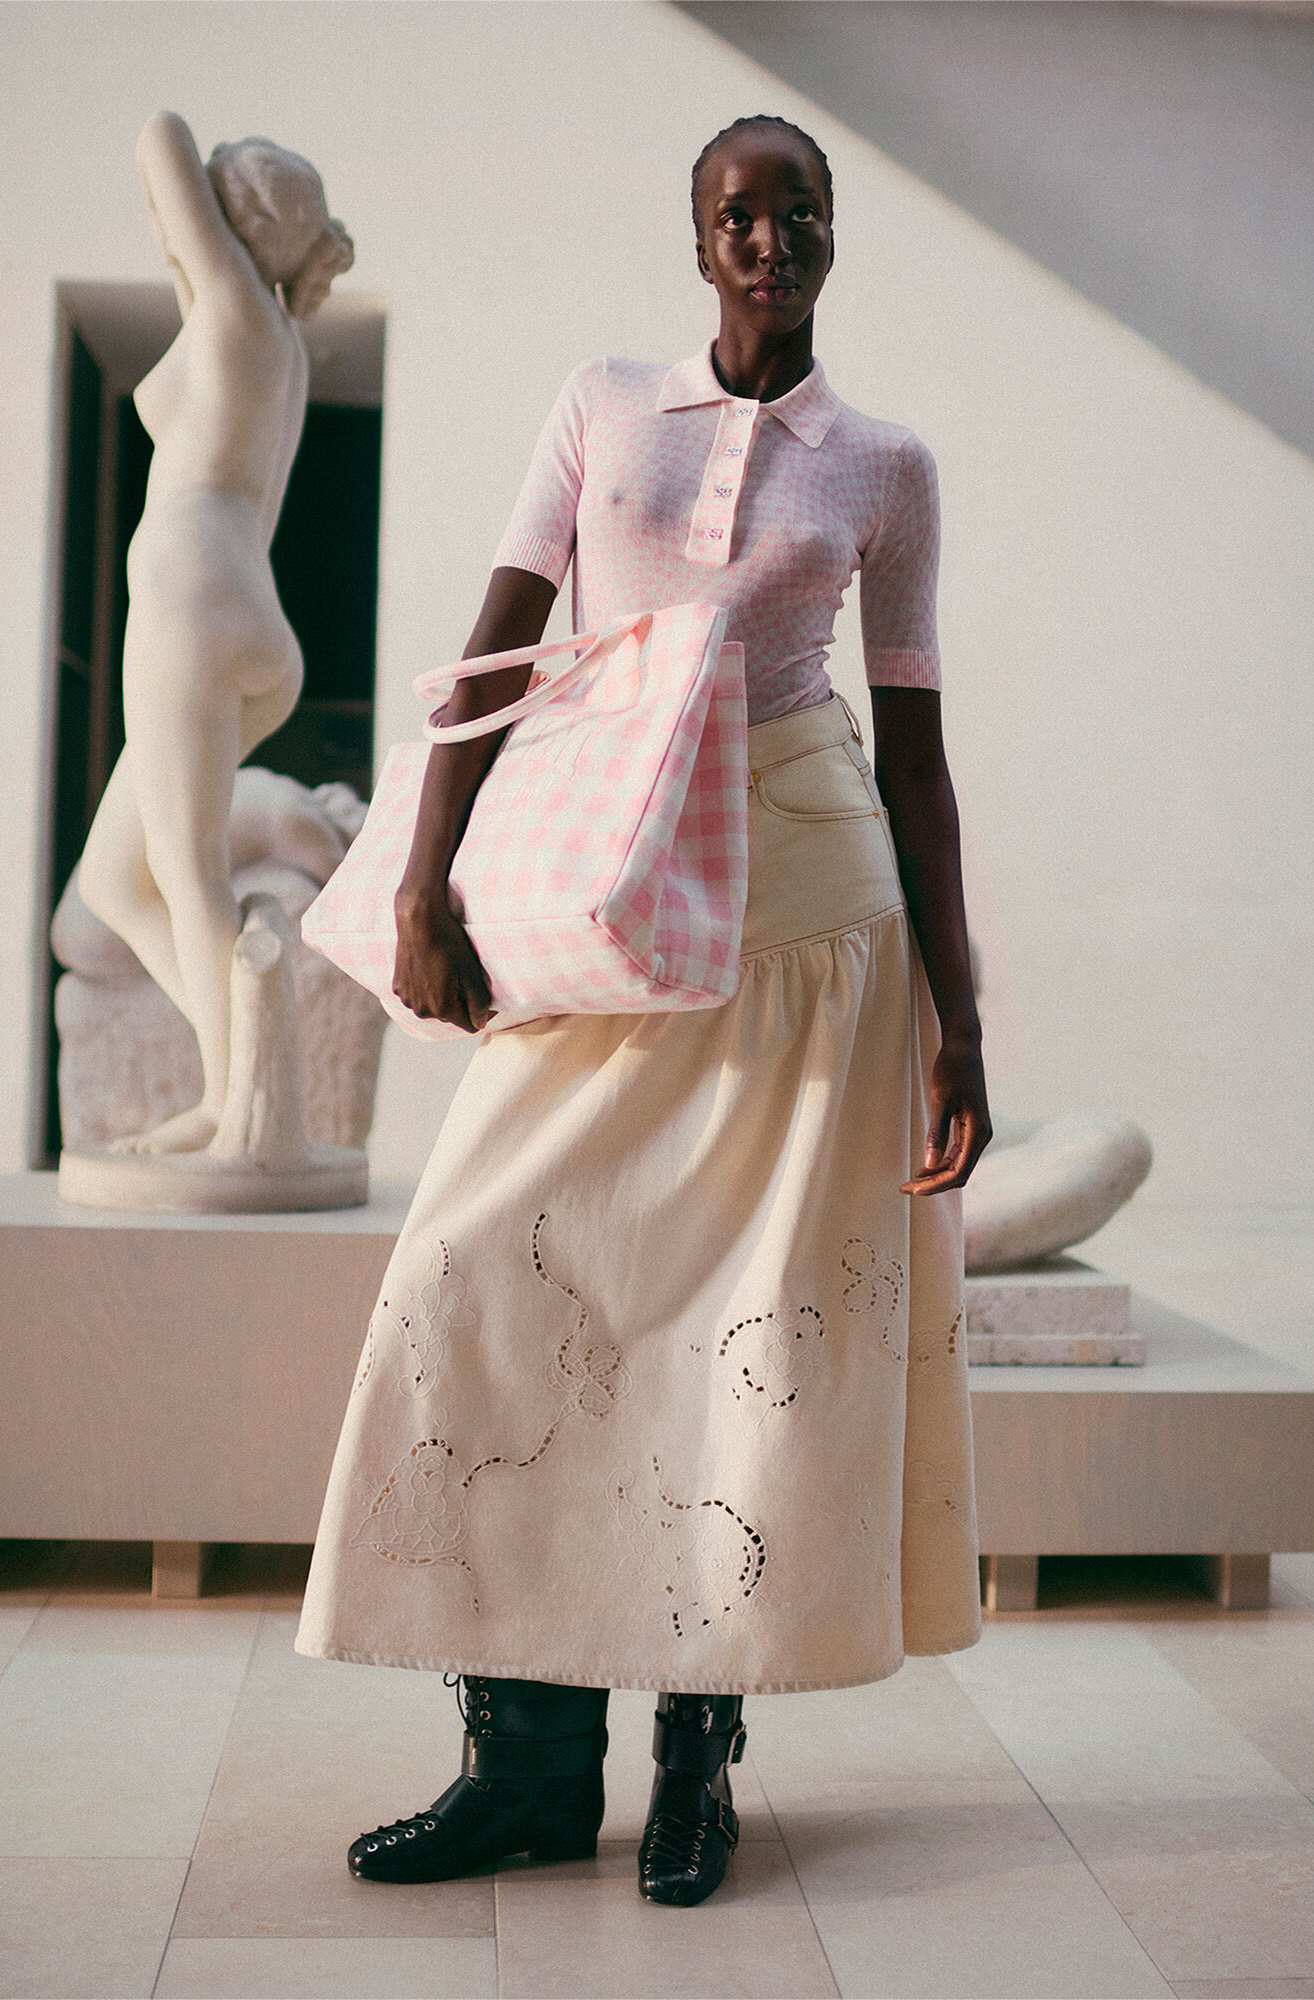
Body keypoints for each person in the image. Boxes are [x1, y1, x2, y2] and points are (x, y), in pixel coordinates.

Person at [295, 114, 992, 1908]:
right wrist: (424, 881)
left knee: (734, 1351)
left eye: (797, 209)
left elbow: (913, 756)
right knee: (476, 1268)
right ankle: (524, 1771)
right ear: (696, 243)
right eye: (736, 213)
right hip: (605, 907)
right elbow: (495, 651)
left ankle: (694, 1768)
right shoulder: (601, 404)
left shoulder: (885, 465)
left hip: (807, 922)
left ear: (829, 234)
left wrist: (962, 1030)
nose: (769, 236)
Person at [77, 112, 353, 1154]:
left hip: (193, 608)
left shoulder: (236, 303)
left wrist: (201, 193)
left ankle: (233, 1107)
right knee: (114, 881)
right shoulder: (262, 330)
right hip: (240, 618)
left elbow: (159, 138)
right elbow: (181, 225)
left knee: (187, 869)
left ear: (236, 225)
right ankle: (243, 1059)